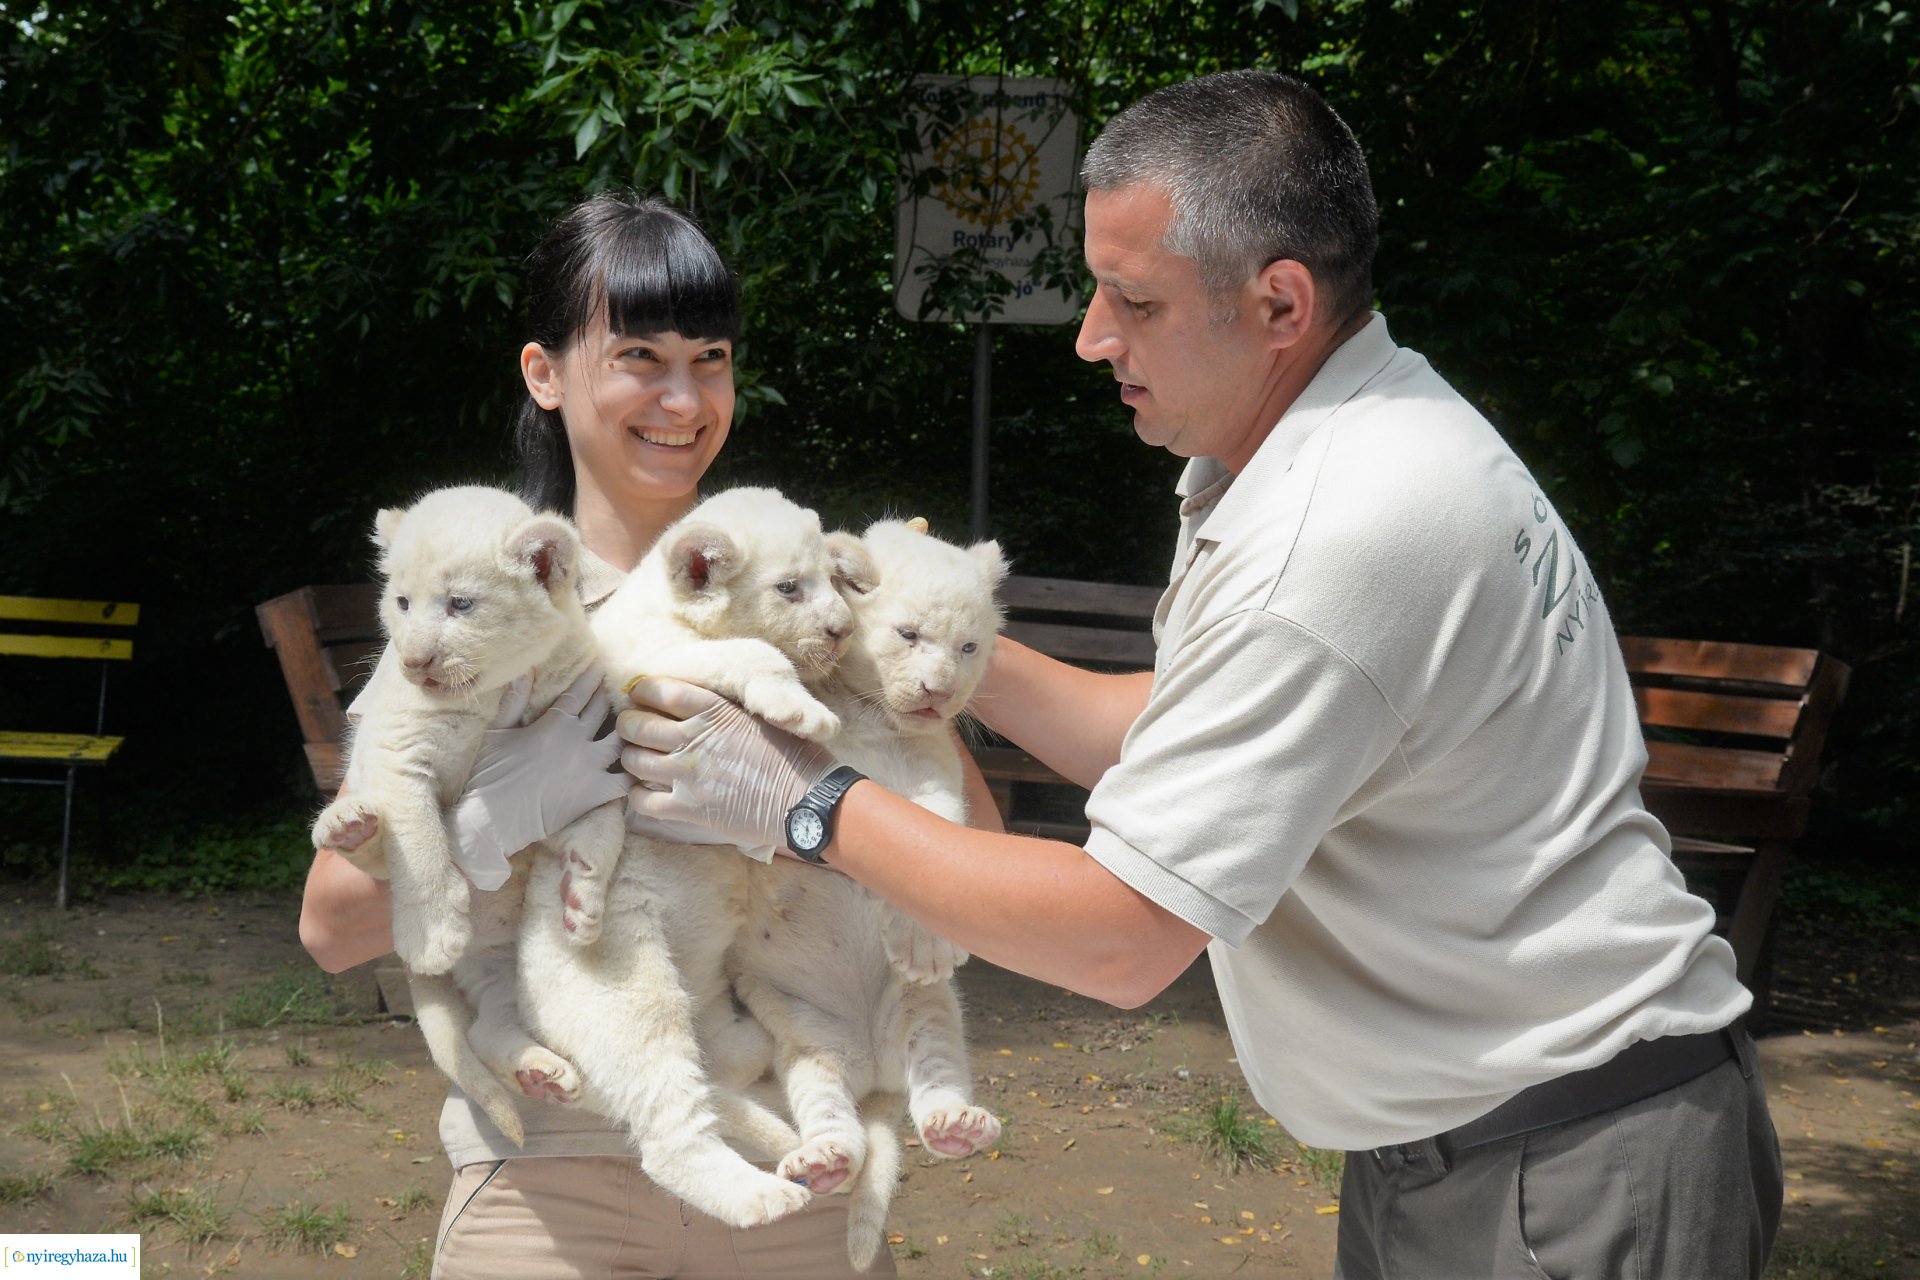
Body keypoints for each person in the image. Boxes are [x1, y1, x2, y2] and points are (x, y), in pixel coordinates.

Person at [617, 71, 1785, 1279]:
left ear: (1280, 301)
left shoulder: (1340, 532)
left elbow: (1121, 940)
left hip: (1561, 1166)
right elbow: (1166, 734)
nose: (1090, 335)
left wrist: (800, 801)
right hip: (1481, 1139)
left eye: (1134, 299)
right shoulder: (1320, 439)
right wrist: (919, 629)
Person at [297, 191, 903, 1279]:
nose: (682, 396)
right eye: (639, 355)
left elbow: (964, 839)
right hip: (546, 1181)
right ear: (546, 372)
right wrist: (505, 803)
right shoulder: (470, 602)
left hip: (791, 1163)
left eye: (710, 356)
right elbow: (333, 926)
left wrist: (812, 805)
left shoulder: (799, 590)